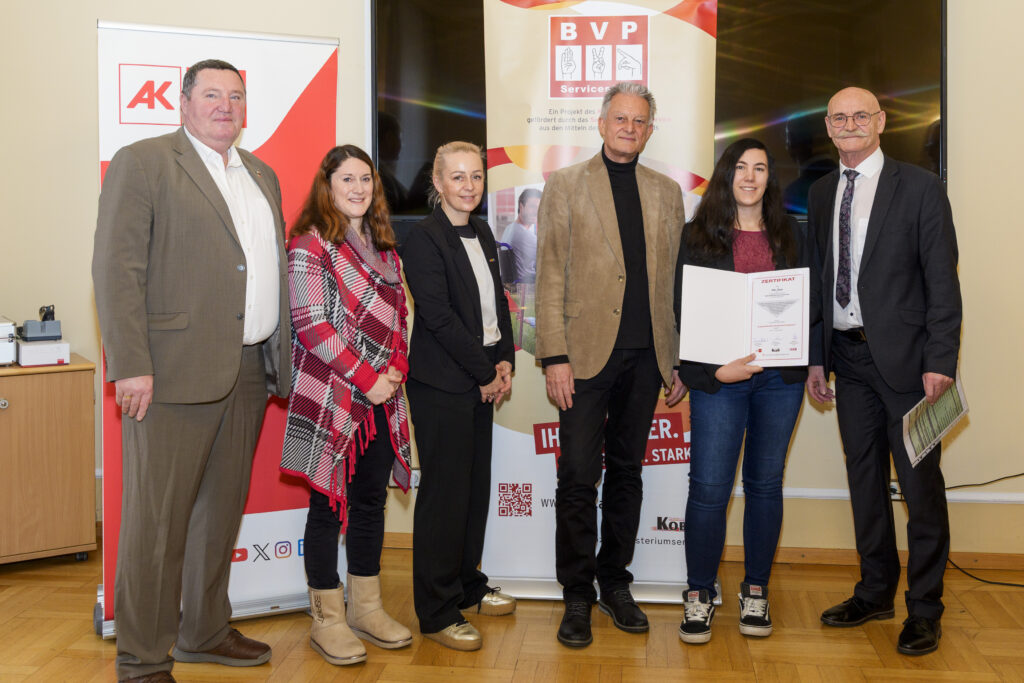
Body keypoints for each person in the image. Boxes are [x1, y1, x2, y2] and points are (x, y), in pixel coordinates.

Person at [93, 59, 290, 683]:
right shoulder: (145, 161)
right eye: (212, 95)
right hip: (169, 374)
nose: (225, 106)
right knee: (156, 524)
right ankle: (142, 658)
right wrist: (131, 366)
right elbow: (115, 270)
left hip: (248, 372)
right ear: (183, 103)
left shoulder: (261, 173)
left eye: (237, 95)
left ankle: (202, 630)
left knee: (217, 514)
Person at [806, 87, 961, 656]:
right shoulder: (823, 192)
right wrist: (816, 356)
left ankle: (925, 608)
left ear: (881, 122)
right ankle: (874, 591)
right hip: (846, 361)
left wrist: (940, 362)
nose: (849, 124)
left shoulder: (920, 188)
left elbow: (943, 282)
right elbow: (822, 279)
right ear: (827, 126)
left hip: (911, 366)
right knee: (864, 481)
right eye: (839, 116)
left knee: (921, 489)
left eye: (860, 116)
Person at [535, 82, 686, 648]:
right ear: (601, 124)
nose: (629, 127)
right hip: (584, 358)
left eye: (639, 120)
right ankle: (576, 594)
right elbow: (548, 275)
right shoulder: (567, 185)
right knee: (577, 477)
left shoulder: (667, 192)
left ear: (650, 129)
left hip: (648, 360)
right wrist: (554, 354)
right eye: (619, 118)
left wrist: (676, 360)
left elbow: (675, 281)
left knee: (627, 473)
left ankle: (614, 583)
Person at [673, 138, 813, 644]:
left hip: (780, 382)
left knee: (764, 484)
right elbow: (682, 311)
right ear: (725, 175)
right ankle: (698, 593)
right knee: (709, 489)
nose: (750, 176)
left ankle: (756, 590)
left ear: (770, 178)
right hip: (721, 381)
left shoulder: (792, 235)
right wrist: (712, 372)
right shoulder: (696, 236)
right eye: (740, 167)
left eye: (760, 168)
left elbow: (809, 307)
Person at [280, 145, 414, 666]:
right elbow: (312, 325)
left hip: (383, 398)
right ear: (327, 186)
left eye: (366, 179)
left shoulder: (385, 246)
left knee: (370, 503)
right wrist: (366, 378)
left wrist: (395, 369)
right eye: (346, 179)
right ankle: (327, 619)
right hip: (333, 398)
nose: (358, 188)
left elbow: (400, 315)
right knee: (326, 506)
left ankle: (367, 608)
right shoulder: (310, 245)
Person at [403, 141, 516, 651]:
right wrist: (486, 371)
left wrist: (507, 358)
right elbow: (440, 319)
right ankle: (436, 609)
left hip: (481, 377)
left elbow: (499, 302)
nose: (468, 186)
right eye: (458, 177)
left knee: (472, 492)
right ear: (438, 182)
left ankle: (467, 585)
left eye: (476, 177)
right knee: (444, 499)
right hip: (444, 385)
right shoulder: (424, 240)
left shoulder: (484, 229)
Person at [503, 188, 542, 282]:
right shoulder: (525, 236)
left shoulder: (510, 228)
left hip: (519, 282)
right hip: (529, 284)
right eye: (532, 206)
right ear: (521, 206)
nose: (536, 211)